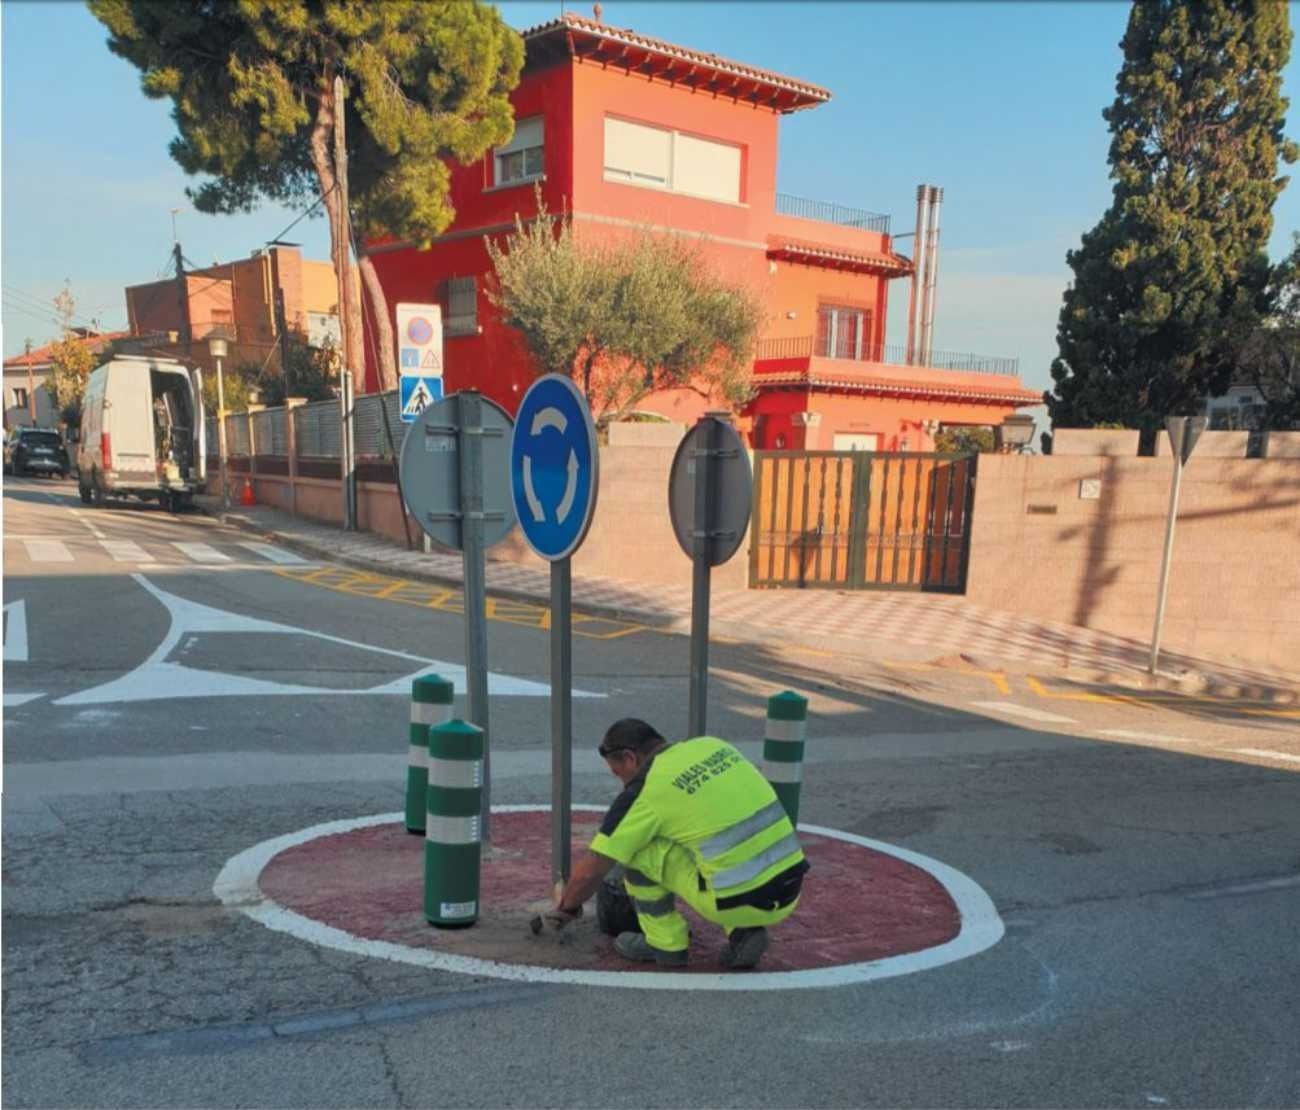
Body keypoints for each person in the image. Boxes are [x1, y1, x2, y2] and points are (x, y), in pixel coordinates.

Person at [546, 719, 808, 970]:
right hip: (789, 889)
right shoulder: (711, 745)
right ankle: (742, 930)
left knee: (637, 848)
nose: (622, 783)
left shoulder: (646, 789)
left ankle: (665, 943)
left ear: (630, 757)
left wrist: (567, 908)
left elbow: (594, 868)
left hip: (736, 900)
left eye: (619, 773)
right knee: (704, 841)